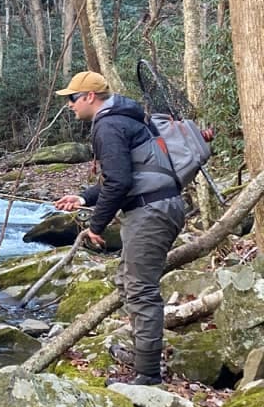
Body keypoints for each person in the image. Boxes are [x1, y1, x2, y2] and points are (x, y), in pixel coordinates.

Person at [53, 70, 186, 385]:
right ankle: (144, 355)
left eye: (72, 98)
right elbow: (128, 174)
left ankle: (148, 375)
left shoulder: (109, 124)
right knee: (128, 282)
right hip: (160, 206)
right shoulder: (127, 118)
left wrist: (96, 224)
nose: (70, 105)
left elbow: (120, 181)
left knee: (140, 290)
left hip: (150, 212)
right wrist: (83, 197)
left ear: (89, 97)